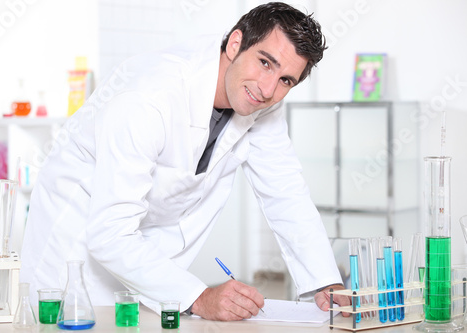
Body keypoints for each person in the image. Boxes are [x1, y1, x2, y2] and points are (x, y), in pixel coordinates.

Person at [20, 2, 350, 321]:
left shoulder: (261, 102)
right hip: (73, 248)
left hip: (144, 259)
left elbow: (286, 191)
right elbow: (109, 233)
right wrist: (199, 297)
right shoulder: (149, 97)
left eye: (286, 81)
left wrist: (325, 281)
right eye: (265, 62)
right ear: (235, 44)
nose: (268, 89)